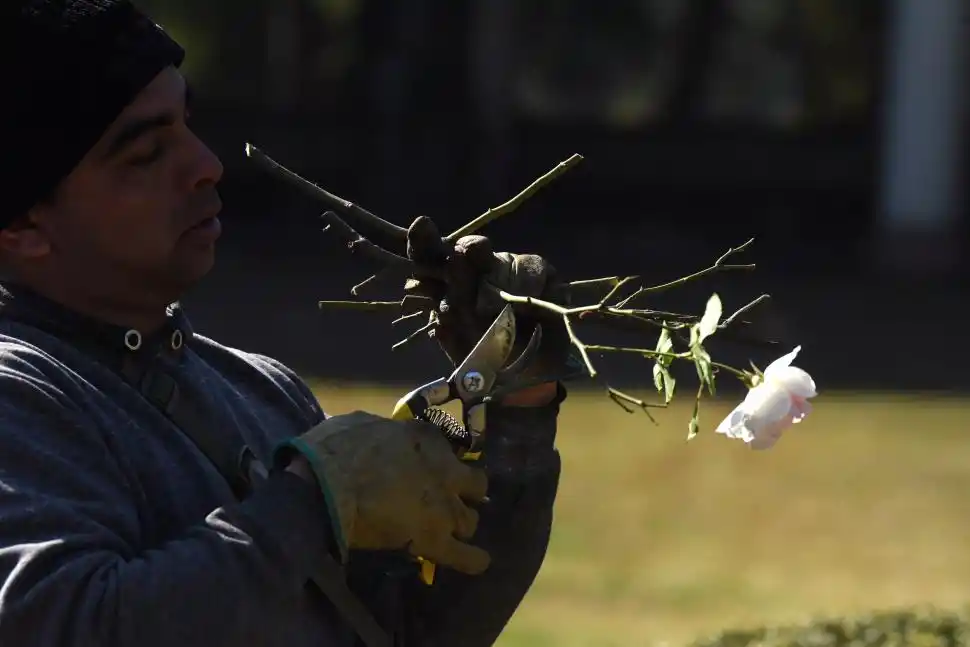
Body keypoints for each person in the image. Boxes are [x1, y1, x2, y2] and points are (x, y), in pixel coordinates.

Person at [0, 2, 574, 646]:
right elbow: (61, 626)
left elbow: (413, 630)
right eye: (145, 152)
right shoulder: (18, 397)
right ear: (21, 227)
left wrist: (511, 394)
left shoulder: (260, 388)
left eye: (187, 123)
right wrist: (312, 501)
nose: (204, 165)